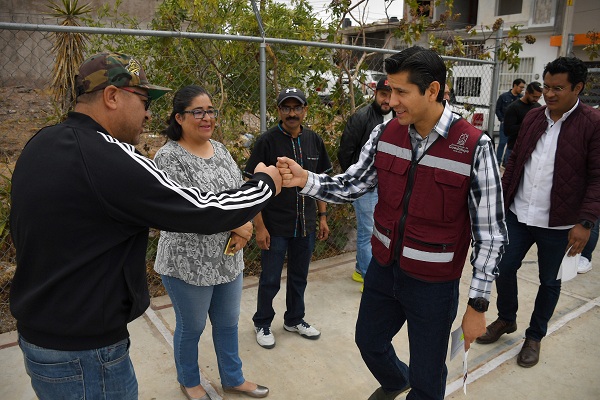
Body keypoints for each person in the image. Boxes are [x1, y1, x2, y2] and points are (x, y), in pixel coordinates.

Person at [9, 52, 281, 400]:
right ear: (111, 96)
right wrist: (264, 185)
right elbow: (201, 209)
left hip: (46, 335)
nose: (149, 113)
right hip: (86, 352)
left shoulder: (42, 143)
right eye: (143, 100)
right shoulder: (109, 157)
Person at [276, 46, 507, 400]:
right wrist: (305, 179)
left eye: (401, 92)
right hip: (384, 268)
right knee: (369, 341)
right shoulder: (386, 132)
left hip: (433, 282)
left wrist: (478, 304)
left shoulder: (474, 146)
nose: (391, 100)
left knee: (429, 377)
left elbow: (490, 234)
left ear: (431, 91)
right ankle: (398, 380)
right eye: (389, 90)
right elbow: (352, 183)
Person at [476, 56, 600, 368]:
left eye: (558, 88)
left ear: (578, 88)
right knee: (502, 268)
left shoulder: (592, 124)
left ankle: (535, 336)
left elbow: (598, 177)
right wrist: (499, 205)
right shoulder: (533, 117)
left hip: (560, 225)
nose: (550, 94)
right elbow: (515, 162)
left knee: (549, 282)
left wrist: (586, 222)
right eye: (546, 86)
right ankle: (507, 319)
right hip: (519, 215)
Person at [153, 86, 269, 399]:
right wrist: (238, 224)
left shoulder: (219, 149)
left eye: (210, 111)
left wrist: (245, 222)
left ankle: (233, 378)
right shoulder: (168, 158)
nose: (207, 118)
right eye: (198, 112)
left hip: (227, 259)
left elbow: (238, 196)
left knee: (228, 323)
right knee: (191, 328)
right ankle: (189, 381)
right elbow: (192, 210)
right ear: (179, 117)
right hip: (187, 263)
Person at [244, 87, 333, 349]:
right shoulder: (267, 141)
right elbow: (252, 187)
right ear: (279, 111)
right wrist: (259, 227)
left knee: (299, 277)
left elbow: (320, 182)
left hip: (306, 224)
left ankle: (294, 319)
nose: (292, 113)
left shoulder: (314, 140)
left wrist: (323, 216)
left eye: (297, 108)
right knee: (270, 278)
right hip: (275, 225)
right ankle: (262, 322)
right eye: (286, 108)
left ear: (305, 110)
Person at [338, 77, 394, 288]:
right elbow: (345, 152)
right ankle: (368, 278)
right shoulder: (361, 117)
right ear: (375, 93)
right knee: (368, 232)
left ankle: (361, 269)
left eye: (390, 95)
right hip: (366, 187)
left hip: (386, 186)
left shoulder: (398, 117)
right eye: (383, 95)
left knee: (378, 230)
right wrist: (356, 181)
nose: (387, 100)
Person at [503, 81, 543, 151]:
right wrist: (527, 125)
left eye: (539, 97)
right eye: (534, 97)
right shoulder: (513, 108)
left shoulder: (538, 107)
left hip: (532, 149)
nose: (536, 100)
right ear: (526, 93)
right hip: (515, 149)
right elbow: (507, 131)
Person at [495, 78, 526, 167]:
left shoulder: (521, 98)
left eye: (523, 88)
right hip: (505, 124)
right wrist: (502, 119)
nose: (522, 89)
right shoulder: (504, 96)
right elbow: (498, 109)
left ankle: (506, 163)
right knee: (502, 143)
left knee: (511, 145)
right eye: (521, 87)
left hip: (516, 126)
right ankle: (497, 163)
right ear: (515, 85)